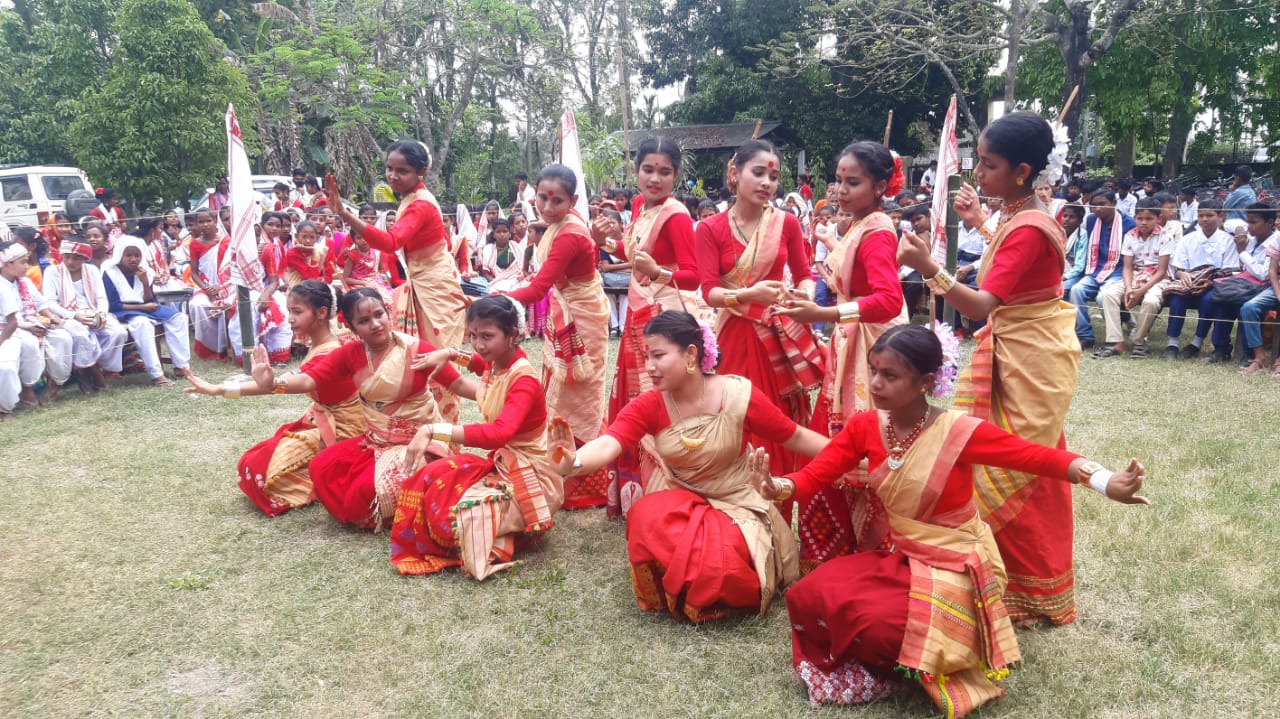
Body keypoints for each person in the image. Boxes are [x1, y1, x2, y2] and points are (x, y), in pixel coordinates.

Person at [769, 325, 1148, 716]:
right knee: (808, 594)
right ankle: (905, 661)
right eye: (873, 371)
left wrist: (1105, 481)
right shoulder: (865, 426)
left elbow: (1037, 457)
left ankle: (914, 664)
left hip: (957, 563)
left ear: (926, 382)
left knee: (877, 624)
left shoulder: (958, 432)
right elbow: (816, 475)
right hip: (902, 556)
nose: (876, 383)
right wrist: (777, 485)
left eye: (890, 375)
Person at [898, 110, 1083, 626]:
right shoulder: (1023, 211)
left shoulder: (1028, 224)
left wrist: (929, 270)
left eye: (988, 164)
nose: (977, 172)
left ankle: (1027, 589)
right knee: (1014, 458)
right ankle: (1007, 579)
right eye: (978, 161)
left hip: (1028, 354)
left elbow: (981, 305)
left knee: (1020, 464)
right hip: (1021, 348)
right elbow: (1007, 252)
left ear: (1022, 171)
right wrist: (981, 219)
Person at [552, 311, 828, 621]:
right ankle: (695, 586)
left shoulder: (737, 396)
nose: (649, 367)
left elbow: (795, 436)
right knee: (645, 517)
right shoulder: (650, 403)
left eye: (658, 355)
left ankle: (716, 586)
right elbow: (609, 442)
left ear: (691, 354)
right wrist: (572, 461)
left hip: (739, 504)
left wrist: (849, 454)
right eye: (646, 356)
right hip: (683, 501)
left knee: (719, 560)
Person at [243, 288, 460, 530]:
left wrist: (464, 359)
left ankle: (420, 485)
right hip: (376, 441)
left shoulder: (416, 349)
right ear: (352, 327)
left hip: (418, 443)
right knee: (321, 468)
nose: (375, 324)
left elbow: (461, 385)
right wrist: (272, 384)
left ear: (388, 313)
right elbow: (307, 381)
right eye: (364, 321)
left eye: (379, 314)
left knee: (364, 492)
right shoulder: (351, 354)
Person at [390, 296, 562, 579]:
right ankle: (501, 534)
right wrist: (448, 354)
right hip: (502, 466)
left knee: (458, 517)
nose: (479, 344)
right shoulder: (497, 366)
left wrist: (433, 429)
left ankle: (508, 536)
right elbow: (470, 374)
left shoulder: (523, 380)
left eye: (487, 336)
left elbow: (499, 434)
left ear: (513, 336)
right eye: (473, 335)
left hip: (532, 476)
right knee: (431, 478)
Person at [696, 139, 823, 476]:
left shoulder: (787, 223)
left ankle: (776, 496)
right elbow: (709, 291)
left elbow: (804, 273)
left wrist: (805, 295)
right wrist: (749, 294)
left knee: (777, 418)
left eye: (774, 176)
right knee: (733, 411)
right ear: (735, 174)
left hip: (776, 333)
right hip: (734, 333)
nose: (767, 183)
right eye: (758, 173)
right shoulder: (711, 228)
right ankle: (733, 497)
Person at [185, 281, 364, 516]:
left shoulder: (330, 351)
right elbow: (277, 384)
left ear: (321, 313)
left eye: (297, 312)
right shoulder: (323, 344)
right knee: (252, 461)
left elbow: (293, 383)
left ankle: (331, 476)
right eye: (290, 311)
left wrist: (222, 389)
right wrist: (219, 389)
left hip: (345, 429)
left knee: (257, 472)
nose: (289, 318)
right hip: (324, 420)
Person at [591, 138, 700, 517]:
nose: (655, 178)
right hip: (639, 317)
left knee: (662, 405)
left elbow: (693, 277)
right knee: (637, 404)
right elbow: (636, 256)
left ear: (676, 175)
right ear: (635, 171)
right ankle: (636, 493)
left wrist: (659, 273)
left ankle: (664, 493)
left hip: (664, 321)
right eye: (648, 170)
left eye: (665, 171)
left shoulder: (676, 215)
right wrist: (608, 242)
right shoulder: (640, 207)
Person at [323, 140, 466, 424]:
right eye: (389, 169)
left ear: (421, 171)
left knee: (436, 363)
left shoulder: (420, 205)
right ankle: (420, 424)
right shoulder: (411, 199)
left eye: (402, 171)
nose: (393, 176)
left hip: (434, 288)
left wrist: (343, 212)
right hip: (424, 283)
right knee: (414, 356)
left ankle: (446, 434)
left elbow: (390, 242)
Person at [775, 141, 906, 440]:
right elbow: (854, 268)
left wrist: (826, 313)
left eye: (853, 182)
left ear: (880, 186)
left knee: (864, 424)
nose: (841, 190)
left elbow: (889, 299)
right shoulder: (862, 223)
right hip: (855, 332)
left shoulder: (876, 231)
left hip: (872, 339)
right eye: (839, 180)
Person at [504, 164, 611, 510]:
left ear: (573, 200)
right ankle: (559, 464)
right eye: (542, 198)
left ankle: (587, 480)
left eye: (557, 200)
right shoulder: (557, 224)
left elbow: (538, 289)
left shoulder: (568, 235)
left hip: (582, 314)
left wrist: (495, 298)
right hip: (568, 309)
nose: (548, 207)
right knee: (559, 386)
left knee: (579, 393)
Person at [41, 238, 128, 391]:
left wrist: (101, 314)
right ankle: (94, 373)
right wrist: (75, 316)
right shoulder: (52, 272)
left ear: (84, 258)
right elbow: (50, 304)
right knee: (81, 334)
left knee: (118, 332)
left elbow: (101, 298)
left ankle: (97, 366)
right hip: (66, 316)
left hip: (92, 312)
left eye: (75, 258)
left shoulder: (92, 270)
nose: (70, 261)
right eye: (66, 256)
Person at [1094, 197, 1173, 358]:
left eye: (1149, 219)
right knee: (1108, 295)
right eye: (1140, 218)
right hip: (1135, 275)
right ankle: (1115, 342)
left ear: (1159, 219)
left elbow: (1161, 270)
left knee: (1151, 301)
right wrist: (1129, 289)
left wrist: (1140, 292)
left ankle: (1139, 342)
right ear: (1134, 218)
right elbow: (1127, 267)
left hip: (1158, 278)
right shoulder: (1130, 235)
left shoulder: (1166, 236)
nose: (1144, 223)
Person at [1163, 200, 1237, 360]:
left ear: (1220, 216)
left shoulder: (1227, 240)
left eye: (1209, 215)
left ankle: (1196, 343)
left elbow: (1229, 271)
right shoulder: (1188, 239)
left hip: (1213, 284)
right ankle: (1172, 343)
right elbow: (1177, 269)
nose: (1204, 219)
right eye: (1201, 215)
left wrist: (1209, 282)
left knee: (1209, 300)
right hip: (1189, 282)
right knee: (1177, 299)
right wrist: (1183, 276)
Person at [1, 241, 53, 415]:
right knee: (18, 353)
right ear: (7, 264)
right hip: (9, 330)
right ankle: (9, 404)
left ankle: (28, 386)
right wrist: (27, 327)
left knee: (54, 339)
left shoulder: (24, 282)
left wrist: (51, 318)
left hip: (25, 325)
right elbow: (10, 321)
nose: (27, 266)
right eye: (23, 262)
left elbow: (41, 304)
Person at [1238, 203, 1280, 376]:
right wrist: (1278, 294)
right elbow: (1271, 272)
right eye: (1278, 218)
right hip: (1276, 286)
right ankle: (1259, 357)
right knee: (1249, 307)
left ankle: (1279, 361)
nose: (1278, 222)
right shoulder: (1278, 239)